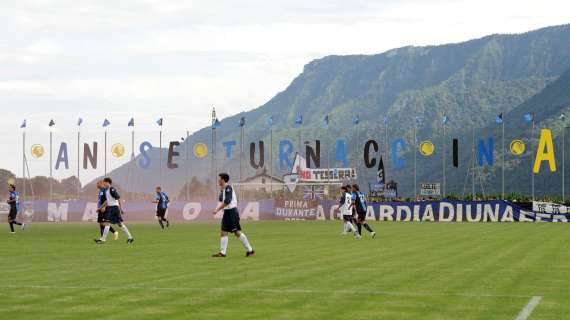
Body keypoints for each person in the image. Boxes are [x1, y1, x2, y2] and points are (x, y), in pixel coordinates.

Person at [211, 173, 255, 257]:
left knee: (236, 232)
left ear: (223, 180)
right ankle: (222, 253)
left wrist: (217, 209)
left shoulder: (228, 188)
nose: (218, 180)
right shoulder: (224, 189)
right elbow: (221, 199)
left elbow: (227, 201)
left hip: (231, 212)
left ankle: (250, 250)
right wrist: (221, 190)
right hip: (227, 212)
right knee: (223, 231)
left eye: (219, 179)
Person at [95, 178, 134, 244]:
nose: (103, 184)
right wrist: (100, 208)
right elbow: (107, 201)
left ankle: (130, 237)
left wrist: (120, 208)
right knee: (110, 223)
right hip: (110, 208)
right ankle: (130, 237)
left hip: (114, 209)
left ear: (108, 183)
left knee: (118, 224)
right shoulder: (107, 191)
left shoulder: (111, 189)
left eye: (104, 182)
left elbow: (118, 198)